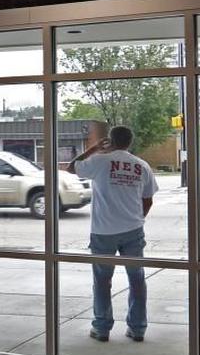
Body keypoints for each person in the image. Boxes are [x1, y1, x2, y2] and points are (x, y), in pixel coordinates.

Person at [68, 126, 158, 342]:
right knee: (137, 279)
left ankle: (101, 328)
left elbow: (72, 168)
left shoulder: (99, 161)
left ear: (110, 140)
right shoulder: (142, 165)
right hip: (133, 230)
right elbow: (148, 200)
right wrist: (137, 218)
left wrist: (93, 148)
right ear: (130, 142)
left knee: (102, 281)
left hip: (103, 232)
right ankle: (137, 328)